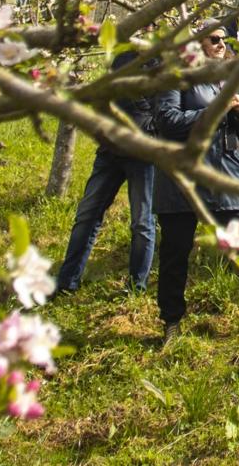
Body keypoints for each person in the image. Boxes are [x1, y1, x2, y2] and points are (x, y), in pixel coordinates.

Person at [153, 23, 239, 343]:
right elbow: (167, 121)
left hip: (226, 173)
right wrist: (214, 113)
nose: (220, 45)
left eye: (224, 41)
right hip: (183, 178)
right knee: (175, 252)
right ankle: (172, 321)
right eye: (214, 39)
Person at [55, 52, 157, 295]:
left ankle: (136, 287)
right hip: (109, 152)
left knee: (142, 223)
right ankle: (66, 283)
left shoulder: (164, 59)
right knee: (86, 216)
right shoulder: (121, 54)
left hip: (143, 155)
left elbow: (165, 107)